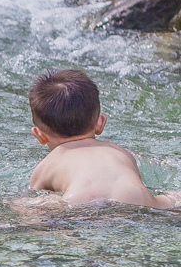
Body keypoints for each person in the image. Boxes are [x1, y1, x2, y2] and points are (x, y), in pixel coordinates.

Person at [27, 68, 181, 209]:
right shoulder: (118, 151)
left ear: (39, 135)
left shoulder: (47, 165)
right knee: (173, 199)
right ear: (100, 123)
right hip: (135, 196)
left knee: (31, 206)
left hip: (79, 200)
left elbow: (34, 193)